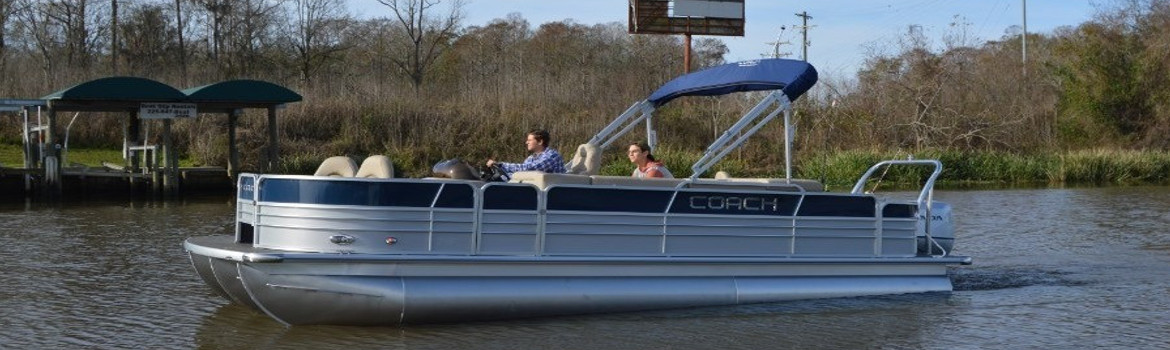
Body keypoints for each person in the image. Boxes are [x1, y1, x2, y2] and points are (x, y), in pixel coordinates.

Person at [487, 129, 566, 176]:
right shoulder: (531, 158)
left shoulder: (552, 156)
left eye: (529, 140)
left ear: (540, 142)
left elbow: (528, 169)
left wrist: (501, 165)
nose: (526, 142)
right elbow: (521, 173)